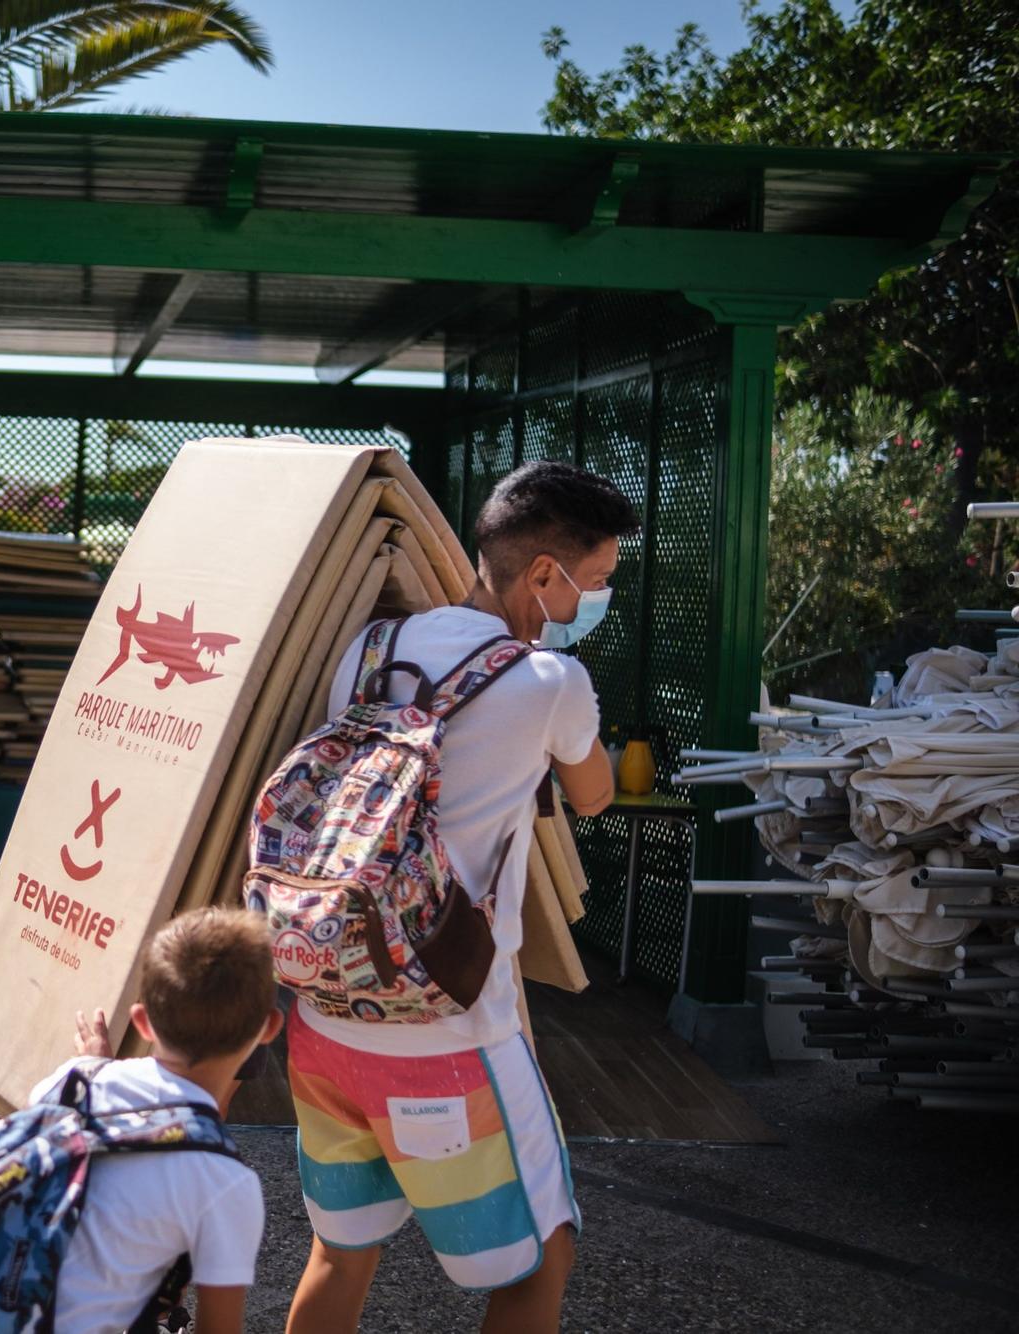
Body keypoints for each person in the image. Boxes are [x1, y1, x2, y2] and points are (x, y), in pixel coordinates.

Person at [283, 460, 634, 1334]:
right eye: (596, 583)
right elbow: (593, 795)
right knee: (541, 1257)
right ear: (545, 575)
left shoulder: (369, 650)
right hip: (444, 1031)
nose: (597, 600)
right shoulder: (550, 682)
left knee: (338, 1254)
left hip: (325, 1015)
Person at [31, 908, 283, 1334]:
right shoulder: (225, 1182)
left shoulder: (70, 1083)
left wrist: (94, 1067)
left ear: (142, 1021)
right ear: (269, 1030)